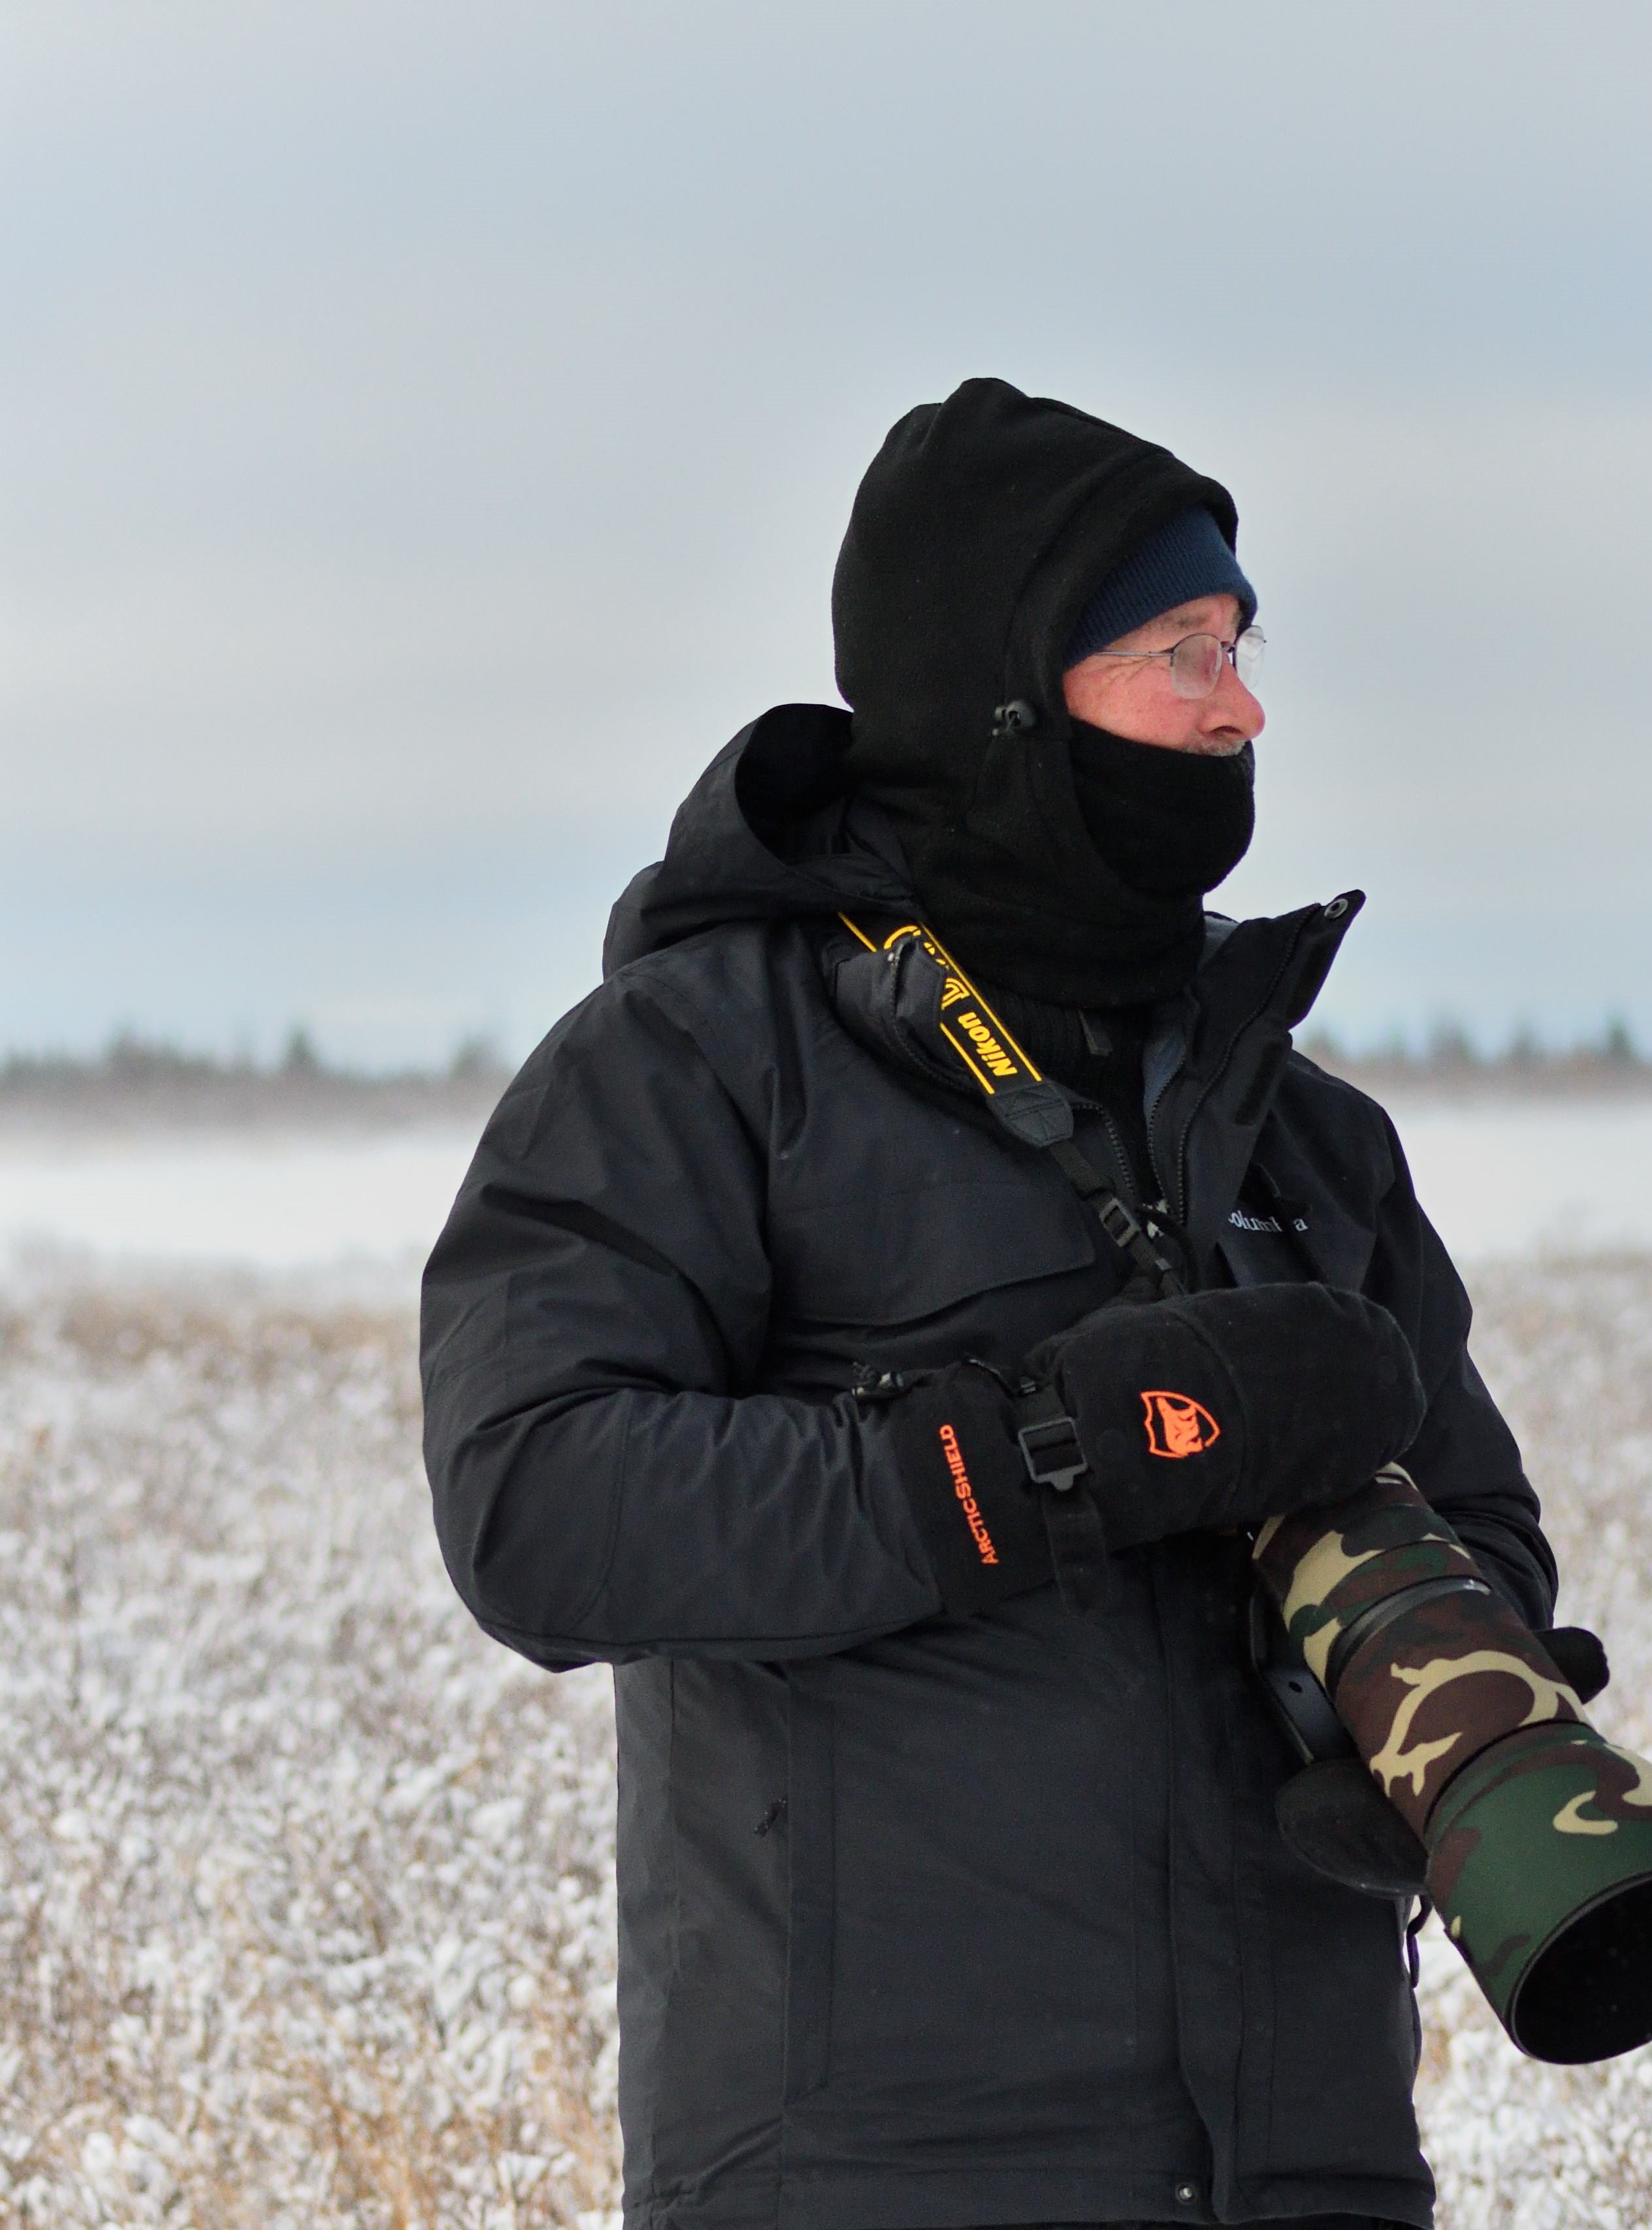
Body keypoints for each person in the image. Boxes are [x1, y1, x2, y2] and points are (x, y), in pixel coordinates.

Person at [421, 379, 1559, 2230]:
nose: (1241, 704)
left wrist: (1440, 1708)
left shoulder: (1296, 1126)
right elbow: (537, 1504)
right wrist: (1036, 1461)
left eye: (1242, 648)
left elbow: (1482, 1514)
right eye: (1182, 650)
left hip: (1303, 2162)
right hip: (880, 2174)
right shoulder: (699, 1069)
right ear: (1013, 698)